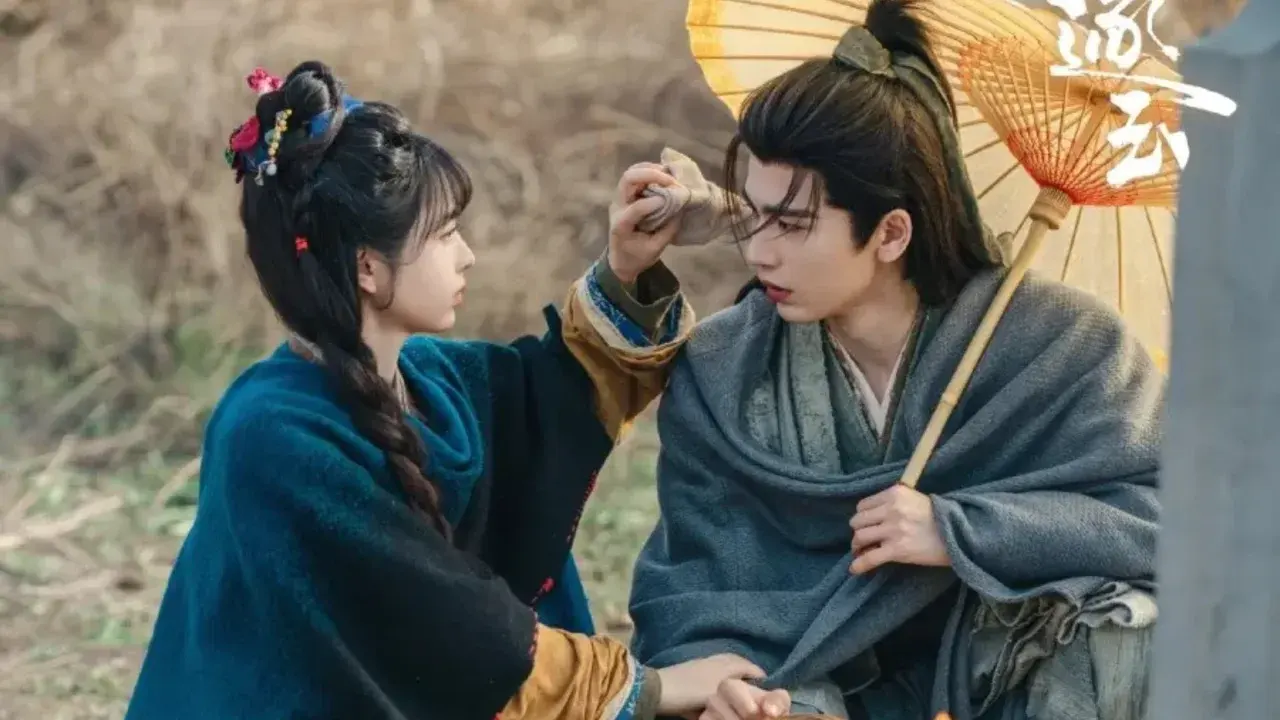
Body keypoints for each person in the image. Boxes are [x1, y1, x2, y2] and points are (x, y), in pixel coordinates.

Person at [123, 60, 764, 720]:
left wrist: (628, 262)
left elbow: (555, 396)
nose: (467, 256)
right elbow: (454, 633)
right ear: (367, 267)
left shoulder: (427, 376)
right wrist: (656, 688)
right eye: (446, 233)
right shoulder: (273, 436)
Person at [625, 1, 1162, 719]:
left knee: (1128, 625)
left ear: (891, 233)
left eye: (792, 224)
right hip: (806, 684)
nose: (759, 252)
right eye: (754, 215)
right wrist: (736, 693)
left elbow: (1164, 519)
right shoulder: (726, 366)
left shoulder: (1064, 343)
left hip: (999, 681)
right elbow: (692, 580)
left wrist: (961, 530)